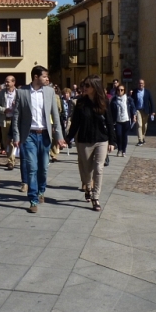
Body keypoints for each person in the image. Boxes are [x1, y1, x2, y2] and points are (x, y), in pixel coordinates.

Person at [12, 66, 66, 213]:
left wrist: (60, 136)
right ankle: (33, 199)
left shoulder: (49, 91)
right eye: (44, 76)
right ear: (36, 77)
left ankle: (41, 191)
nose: (47, 79)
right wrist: (16, 136)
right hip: (28, 135)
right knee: (32, 168)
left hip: (45, 135)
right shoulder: (22, 92)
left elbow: (55, 115)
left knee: (43, 168)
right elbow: (16, 116)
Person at [66, 74, 116, 212]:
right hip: (84, 140)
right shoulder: (81, 103)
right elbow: (75, 124)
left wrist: (112, 141)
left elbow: (110, 122)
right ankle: (88, 187)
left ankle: (95, 197)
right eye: (84, 85)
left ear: (95, 87)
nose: (84, 88)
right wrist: (67, 138)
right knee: (87, 170)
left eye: (87, 85)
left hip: (101, 140)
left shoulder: (104, 102)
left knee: (99, 168)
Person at [0, 75, 17, 170]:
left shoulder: (19, 93)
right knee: (6, 141)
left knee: (13, 141)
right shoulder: (2, 93)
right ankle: (10, 158)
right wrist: (4, 110)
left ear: (13, 82)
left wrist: (17, 105)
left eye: (8, 82)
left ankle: (11, 161)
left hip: (15, 120)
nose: (6, 83)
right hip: (5, 120)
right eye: (6, 81)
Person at [110, 84, 137, 157]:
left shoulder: (128, 99)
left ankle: (124, 150)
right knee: (118, 135)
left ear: (124, 91)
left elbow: (133, 108)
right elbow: (110, 110)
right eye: (118, 90)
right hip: (118, 120)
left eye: (122, 90)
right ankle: (119, 150)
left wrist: (134, 115)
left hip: (126, 120)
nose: (120, 91)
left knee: (124, 136)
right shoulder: (114, 100)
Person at [131, 79, 155, 146]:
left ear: (144, 84)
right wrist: (132, 111)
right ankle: (140, 140)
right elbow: (132, 102)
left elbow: (151, 101)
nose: (140, 84)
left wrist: (153, 111)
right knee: (139, 125)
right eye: (139, 83)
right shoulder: (134, 92)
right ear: (137, 84)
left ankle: (143, 137)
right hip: (137, 110)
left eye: (142, 83)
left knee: (144, 125)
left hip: (145, 110)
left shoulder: (147, 92)